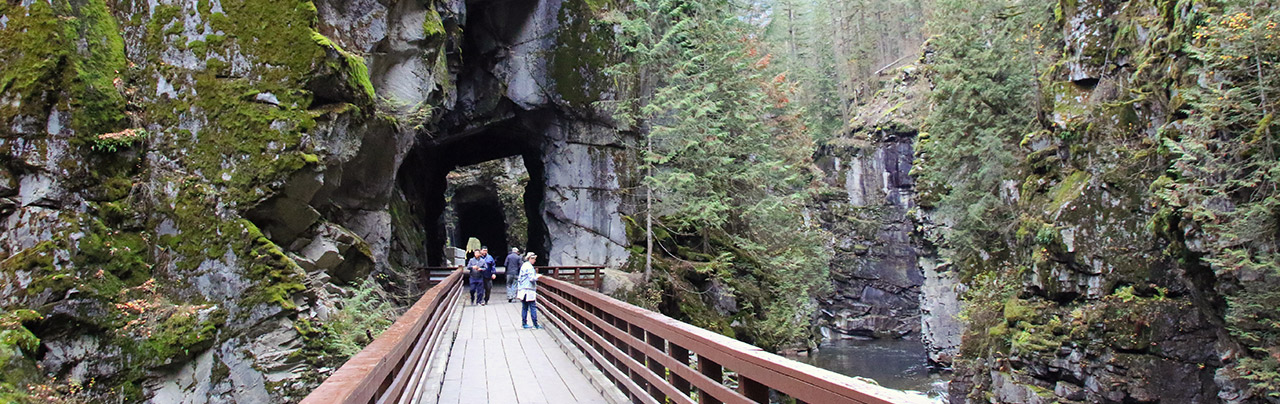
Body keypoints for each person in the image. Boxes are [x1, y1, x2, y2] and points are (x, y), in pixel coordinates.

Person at [516, 252, 541, 329]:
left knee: (524, 307)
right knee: (532, 306)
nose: (535, 261)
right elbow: (531, 278)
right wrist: (538, 276)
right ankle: (535, 324)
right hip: (529, 289)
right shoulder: (529, 267)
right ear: (530, 258)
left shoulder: (524, 265)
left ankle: (524, 323)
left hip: (522, 289)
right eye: (534, 259)